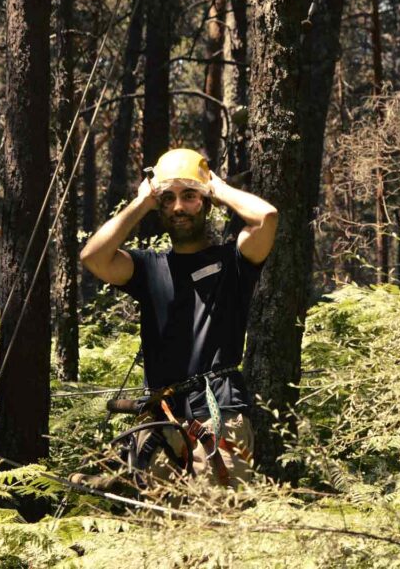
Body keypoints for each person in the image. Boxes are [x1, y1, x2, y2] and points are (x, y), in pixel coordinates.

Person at [80, 148, 278, 487]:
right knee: (161, 530)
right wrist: (142, 201)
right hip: (161, 421)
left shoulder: (233, 261)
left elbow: (267, 217)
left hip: (219, 415)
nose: (178, 207)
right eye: (168, 198)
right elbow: (93, 257)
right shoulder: (148, 268)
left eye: (189, 197)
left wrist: (215, 187)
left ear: (205, 202)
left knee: (221, 524)